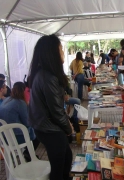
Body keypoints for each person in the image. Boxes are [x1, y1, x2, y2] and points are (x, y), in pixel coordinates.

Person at [28, 34, 73, 180]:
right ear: (52, 53)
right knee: (59, 169)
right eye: (60, 48)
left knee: (66, 159)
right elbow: (56, 111)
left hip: (45, 126)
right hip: (49, 128)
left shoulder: (43, 74)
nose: (63, 52)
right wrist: (68, 128)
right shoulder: (48, 77)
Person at [0, 82, 39, 162]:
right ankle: (28, 153)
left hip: (4, 137)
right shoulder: (20, 103)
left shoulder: (6, 100)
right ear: (24, 91)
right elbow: (27, 122)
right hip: (16, 138)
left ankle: (28, 153)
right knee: (37, 134)